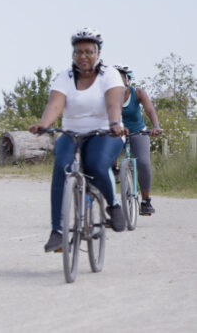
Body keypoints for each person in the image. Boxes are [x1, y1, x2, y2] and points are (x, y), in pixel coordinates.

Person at [28, 27, 126, 252]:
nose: (83, 56)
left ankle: (113, 205)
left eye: (88, 51)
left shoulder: (109, 75)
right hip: (72, 133)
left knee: (96, 164)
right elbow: (55, 104)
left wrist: (114, 124)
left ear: (98, 53)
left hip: (105, 132)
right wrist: (45, 124)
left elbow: (113, 104)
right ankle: (58, 231)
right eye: (78, 52)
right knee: (61, 168)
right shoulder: (65, 77)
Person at [113, 64, 162, 215]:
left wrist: (155, 126)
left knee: (143, 162)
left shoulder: (138, 93)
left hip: (138, 132)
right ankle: (114, 172)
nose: (118, 82)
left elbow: (149, 110)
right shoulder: (110, 96)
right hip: (117, 132)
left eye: (121, 79)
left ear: (128, 80)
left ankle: (146, 201)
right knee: (106, 156)